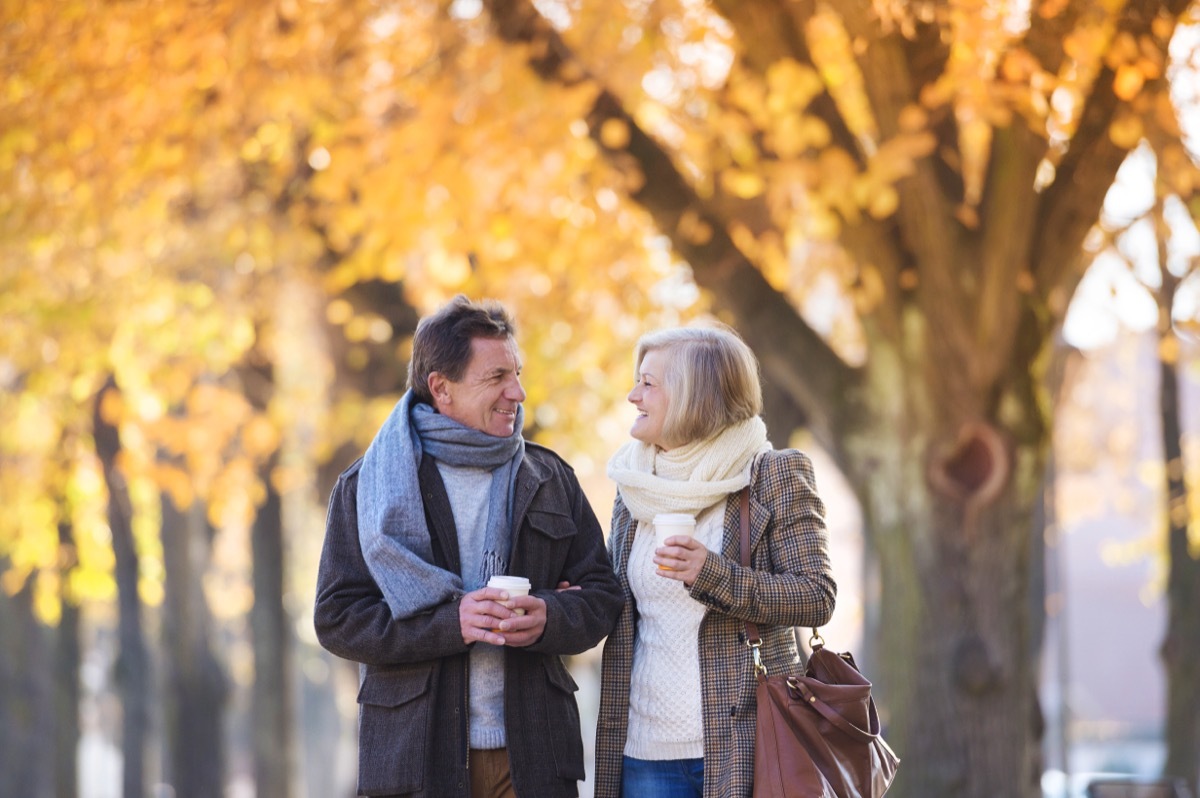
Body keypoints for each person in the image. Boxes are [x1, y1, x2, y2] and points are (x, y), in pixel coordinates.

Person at [314, 294, 624, 798]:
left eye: (517, 373)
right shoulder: (368, 486)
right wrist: (450, 623)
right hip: (417, 759)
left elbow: (602, 596)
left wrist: (549, 615)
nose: (518, 392)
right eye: (497, 377)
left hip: (537, 756)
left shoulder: (549, 477)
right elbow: (338, 618)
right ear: (442, 388)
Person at [593, 323, 837, 798]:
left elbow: (816, 596)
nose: (631, 395)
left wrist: (712, 574)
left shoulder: (773, 474)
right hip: (644, 748)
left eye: (647, 383)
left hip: (746, 741)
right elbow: (620, 601)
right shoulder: (636, 484)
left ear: (692, 396)